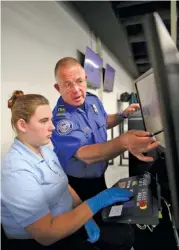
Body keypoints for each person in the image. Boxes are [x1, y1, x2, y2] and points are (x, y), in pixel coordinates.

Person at [1, 91, 134, 250]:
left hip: (66, 222)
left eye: (51, 119)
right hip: (41, 241)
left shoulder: (45, 150)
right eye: (44, 121)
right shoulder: (17, 171)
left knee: (125, 233)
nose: (52, 127)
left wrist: (85, 216)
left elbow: (65, 186)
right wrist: (96, 202)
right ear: (22, 125)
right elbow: (46, 235)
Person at [51, 57, 160, 202]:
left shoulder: (91, 100)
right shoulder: (60, 121)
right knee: (88, 221)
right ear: (58, 88)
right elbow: (85, 155)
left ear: (86, 79)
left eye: (79, 81)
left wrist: (122, 115)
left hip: (100, 174)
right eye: (68, 85)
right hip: (78, 184)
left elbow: (103, 121)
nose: (76, 90)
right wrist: (124, 142)